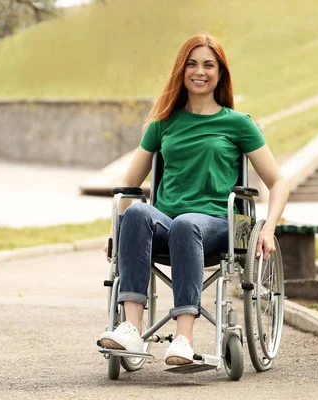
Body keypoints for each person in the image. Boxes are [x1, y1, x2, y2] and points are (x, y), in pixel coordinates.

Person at [99, 33, 289, 366]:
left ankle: (183, 339)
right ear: (181, 71)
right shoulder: (162, 124)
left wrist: (268, 229)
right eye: (191, 64)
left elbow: (278, 182)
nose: (199, 71)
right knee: (137, 213)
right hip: (166, 222)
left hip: (216, 224)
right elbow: (129, 185)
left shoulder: (237, 123)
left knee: (187, 223)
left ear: (220, 73)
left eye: (208, 65)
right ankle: (131, 328)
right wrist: (118, 232)